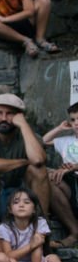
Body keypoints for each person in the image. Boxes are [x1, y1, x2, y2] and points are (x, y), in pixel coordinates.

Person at [0, 93, 50, 219]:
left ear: (19, 116)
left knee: (39, 170)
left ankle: (40, 224)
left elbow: (37, 160)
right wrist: (24, 162)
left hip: (25, 196)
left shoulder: (29, 136)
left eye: (10, 113)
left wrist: (23, 125)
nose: (3, 118)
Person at [38, 102, 78, 247]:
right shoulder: (66, 141)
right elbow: (41, 142)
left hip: (73, 176)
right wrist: (59, 128)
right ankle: (75, 231)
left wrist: (73, 167)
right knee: (48, 178)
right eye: (73, 120)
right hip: (70, 182)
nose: (76, 123)